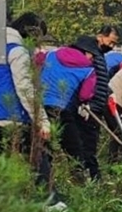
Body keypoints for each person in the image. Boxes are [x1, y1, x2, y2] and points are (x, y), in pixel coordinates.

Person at [0, 11, 57, 201]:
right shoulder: (17, 51)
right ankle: (49, 199)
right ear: (31, 34)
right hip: (9, 114)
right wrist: (42, 120)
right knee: (37, 155)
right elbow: (24, 87)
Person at [40, 34, 98, 179]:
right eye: (93, 55)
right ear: (88, 52)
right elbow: (85, 95)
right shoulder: (89, 69)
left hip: (38, 107)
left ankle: (44, 181)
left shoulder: (50, 55)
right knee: (74, 148)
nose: (93, 59)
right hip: (61, 109)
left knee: (43, 148)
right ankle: (78, 180)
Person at [76, 24, 120, 181]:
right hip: (88, 107)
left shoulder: (99, 54)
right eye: (111, 41)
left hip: (96, 106)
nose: (112, 46)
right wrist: (82, 101)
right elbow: (83, 77)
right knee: (86, 144)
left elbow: (99, 79)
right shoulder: (87, 51)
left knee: (90, 143)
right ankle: (90, 178)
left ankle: (91, 177)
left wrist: (108, 92)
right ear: (101, 36)